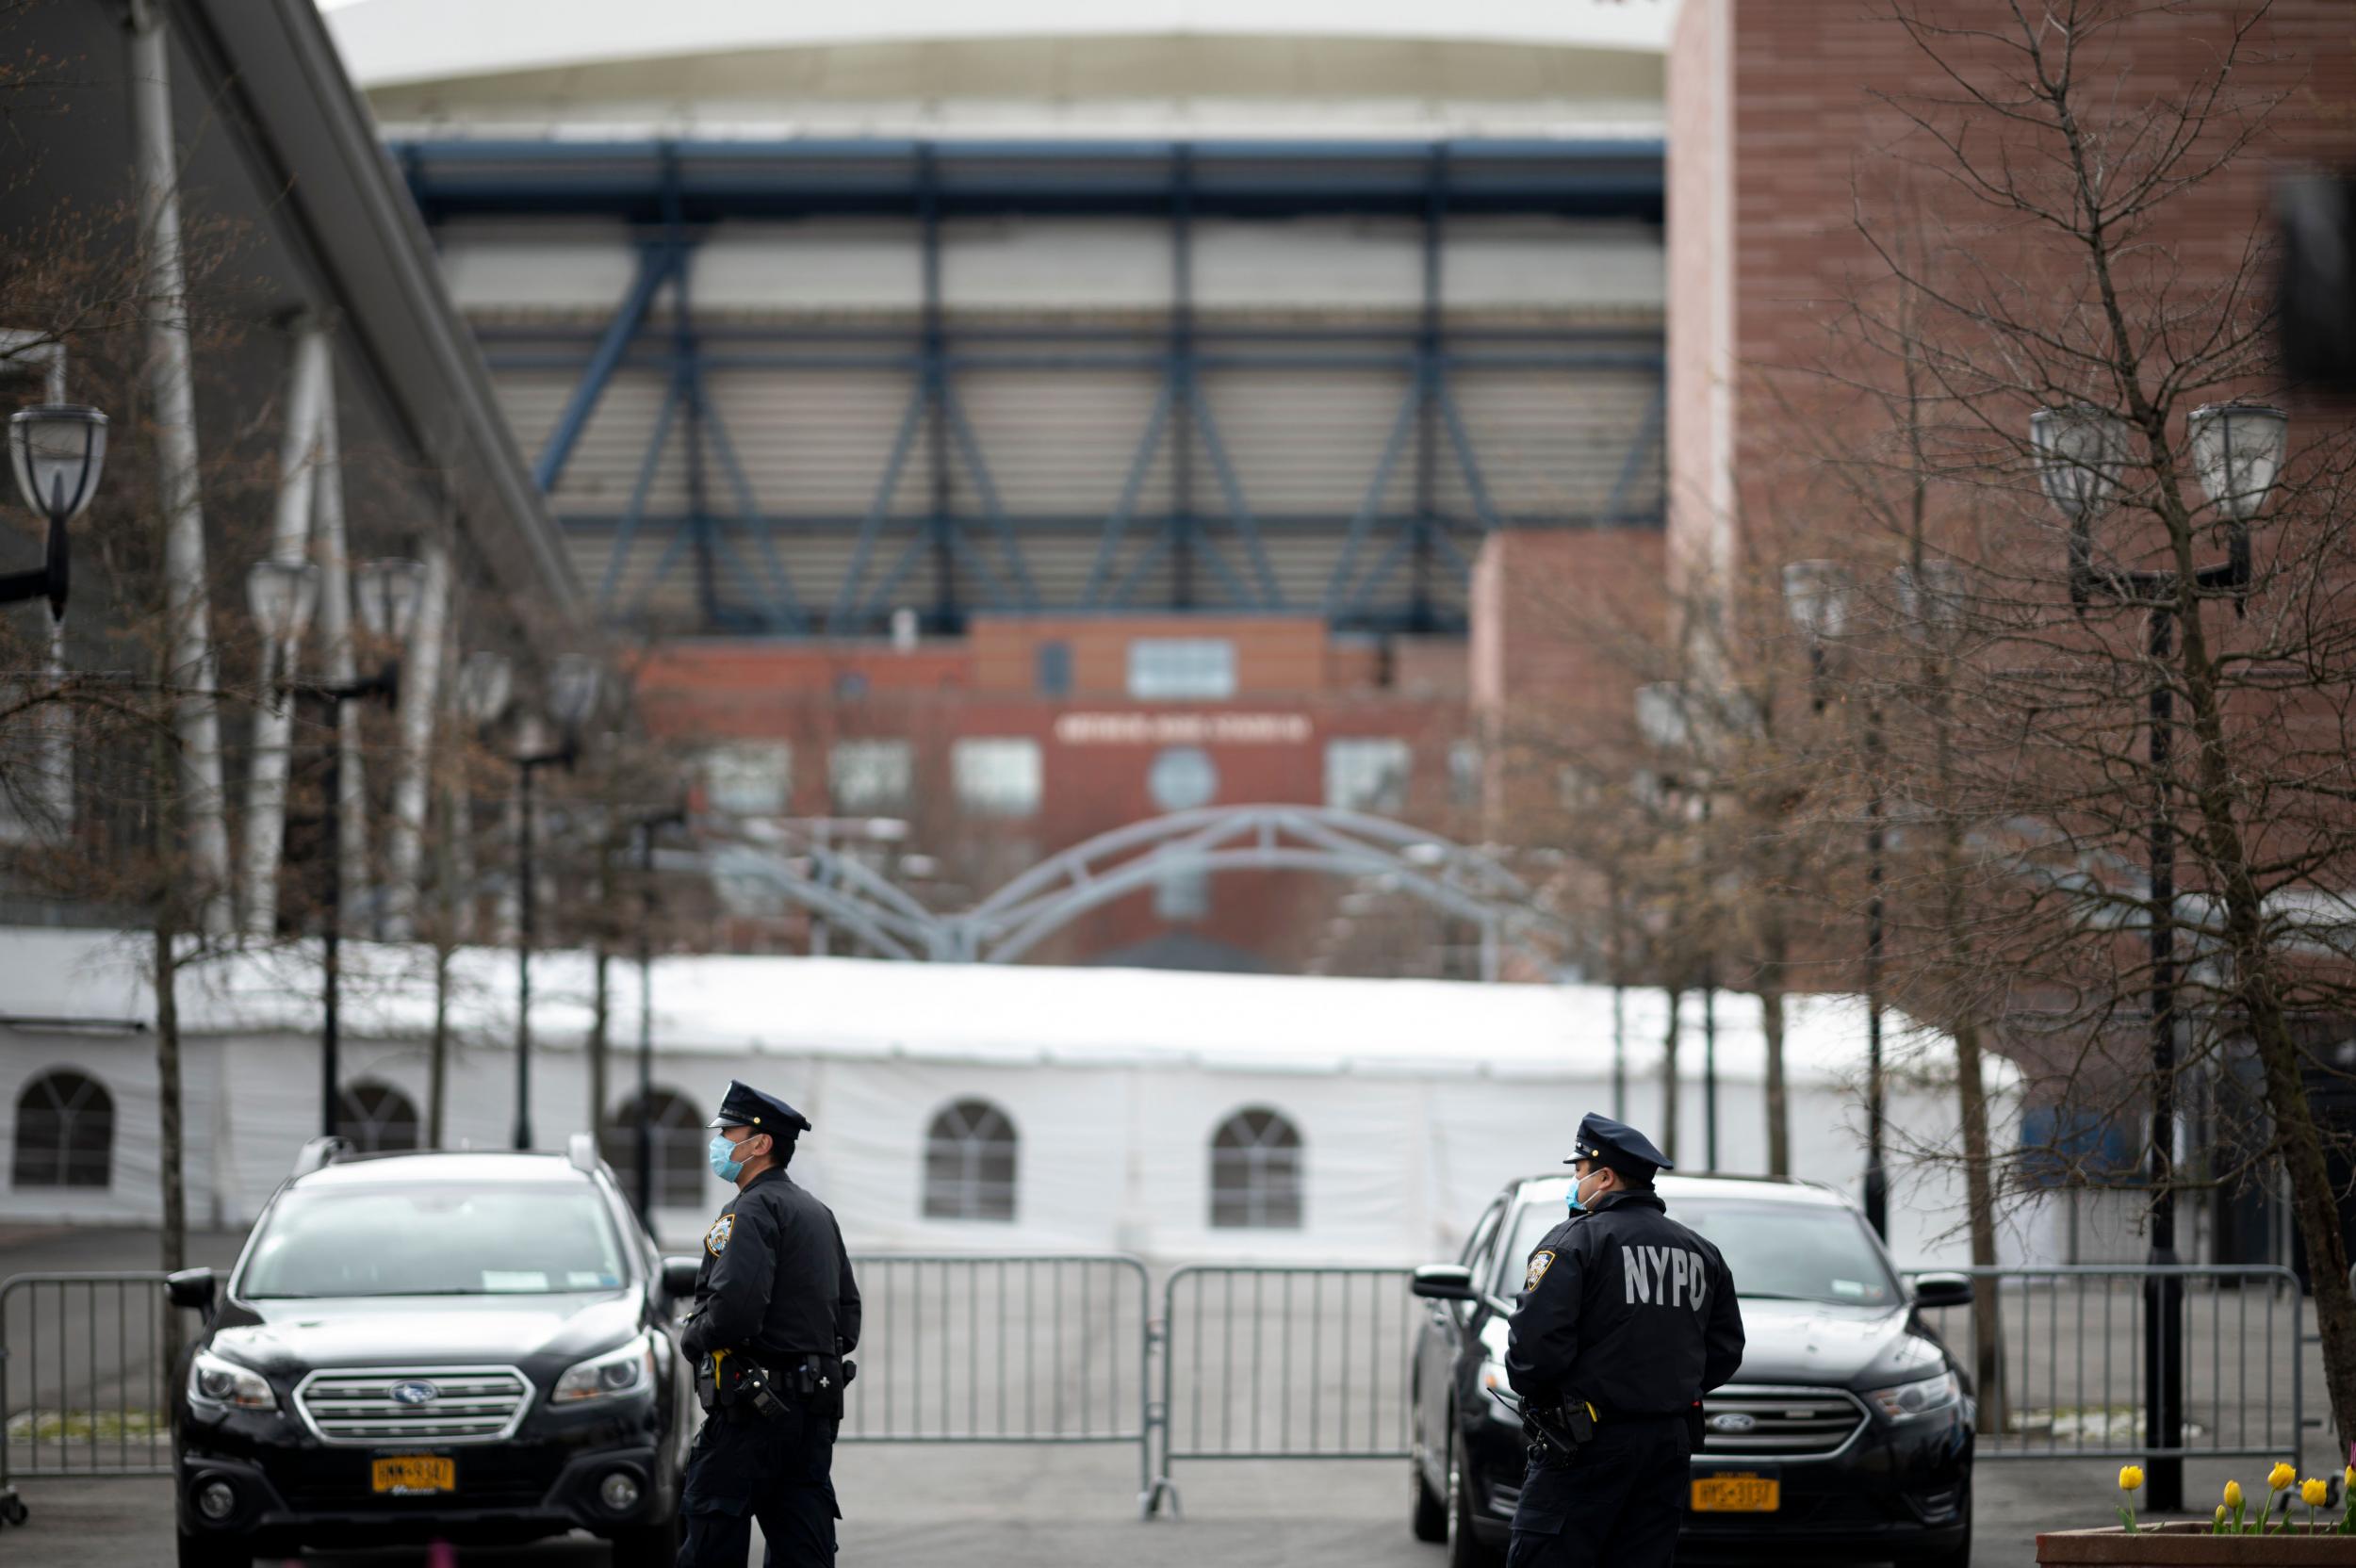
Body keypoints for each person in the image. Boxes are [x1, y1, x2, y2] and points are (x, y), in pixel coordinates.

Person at [1502, 1113, 1745, 1568]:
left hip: (1585, 1445)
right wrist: (1667, 1392)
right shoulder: (1701, 1251)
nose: (1575, 1182)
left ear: (1606, 1176)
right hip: (1668, 1445)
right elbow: (1726, 1349)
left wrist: (1554, 1400)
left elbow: (1534, 1355)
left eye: (1579, 1172)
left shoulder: (1575, 1243)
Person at [679, 1079, 862, 1568]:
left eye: (728, 1133)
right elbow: (848, 1318)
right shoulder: (817, 1212)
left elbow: (735, 1310)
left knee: (712, 1538)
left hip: (751, 1413)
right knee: (803, 1544)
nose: (718, 1144)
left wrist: (693, 1338)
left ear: (759, 1144)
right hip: (811, 1411)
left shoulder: (751, 1209)